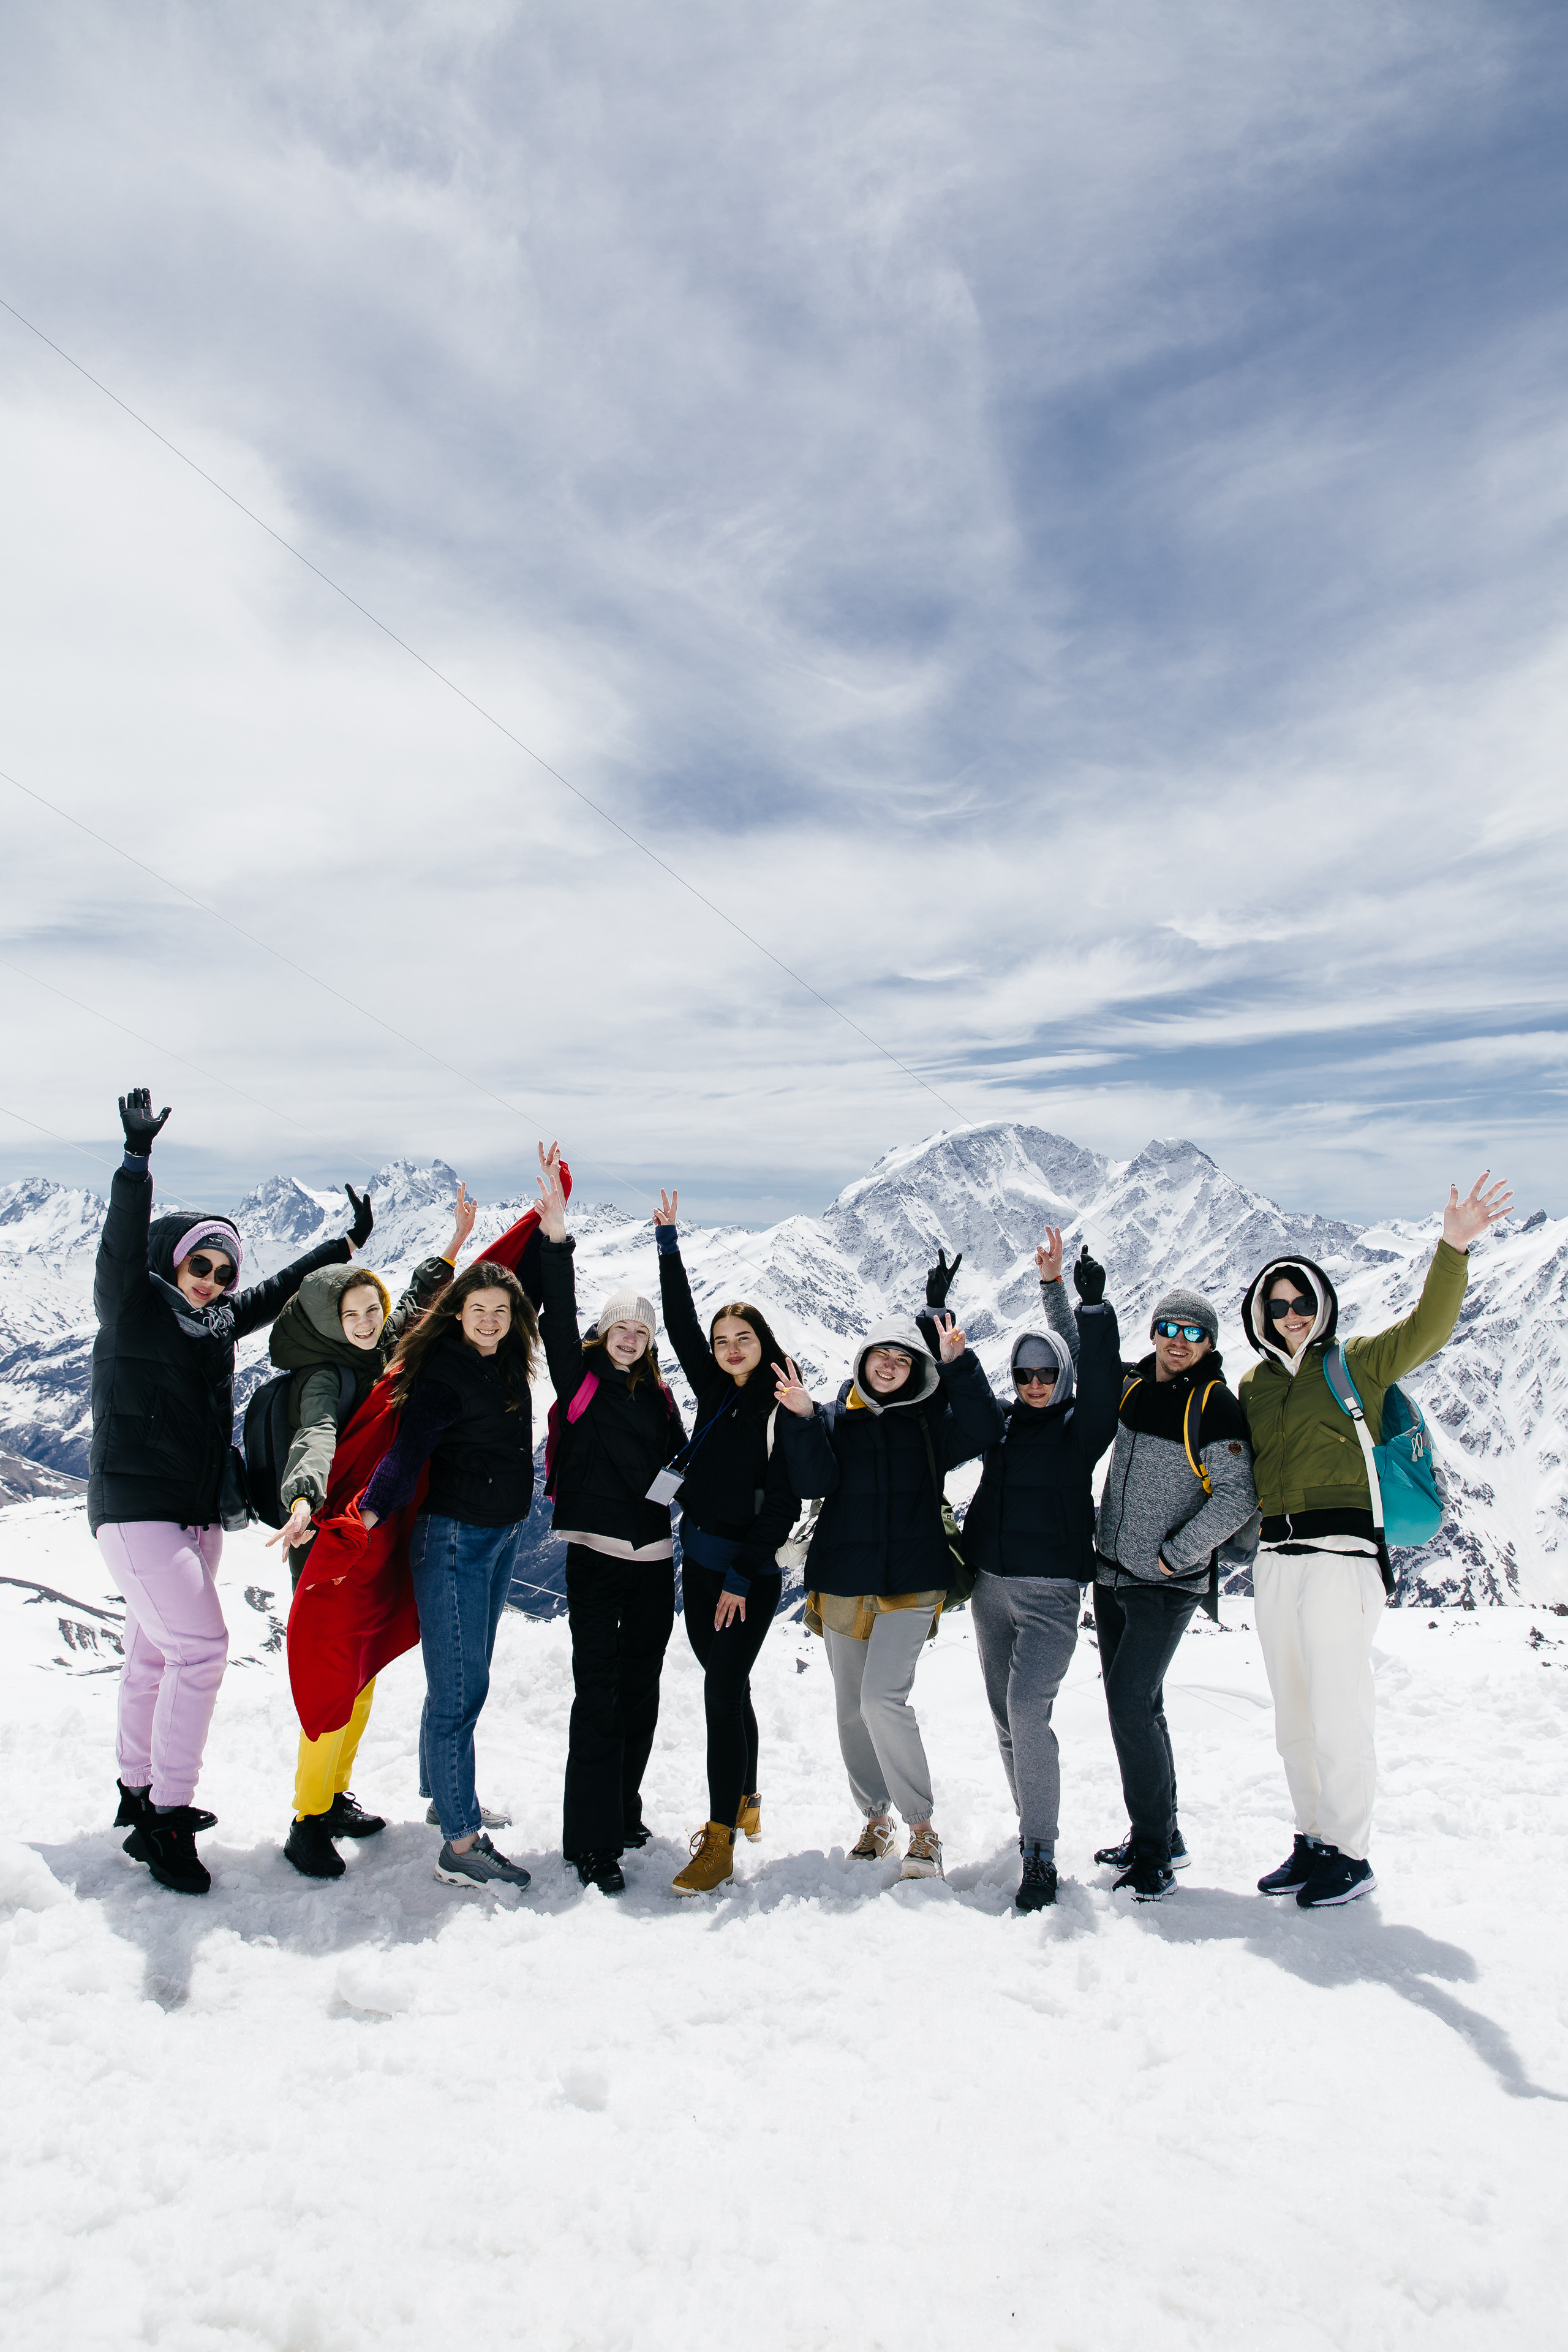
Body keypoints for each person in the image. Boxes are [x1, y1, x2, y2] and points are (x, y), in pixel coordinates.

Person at [90, 1085, 372, 1896]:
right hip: (137, 1508)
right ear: (171, 1261)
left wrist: (342, 1244)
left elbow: (279, 1289)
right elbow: (117, 1247)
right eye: (199, 1264)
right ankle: (168, 1822)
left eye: (221, 1270)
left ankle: (138, 1791)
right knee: (204, 1650)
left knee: (154, 1654)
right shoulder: (134, 1308)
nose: (212, 1281)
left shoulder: (212, 1325)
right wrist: (136, 1163)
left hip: (193, 1517)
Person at [1239, 1171, 1510, 1910]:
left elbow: (1428, 1329)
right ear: (1260, 1315)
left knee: (1337, 1708)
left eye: (1300, 1303)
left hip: (1342, 1560)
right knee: (1292, 1713)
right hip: (1274, 1561)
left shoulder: (1354, 1361)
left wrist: (1451, 1249)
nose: (1290, 1314)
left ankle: (1351, 1854)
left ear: (1318, 1305)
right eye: (1276, 1305)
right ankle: (1311, 1838)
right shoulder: (1254, 1387)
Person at [266, 1183, 477, 1880]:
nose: (364, 1321)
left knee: (359, 1678)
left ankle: (332, 1797)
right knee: (334, 1680)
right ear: (328, 1319)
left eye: (370, 1310)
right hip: (327, 1541)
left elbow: (419, 1308)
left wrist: (451, 1246)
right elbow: (316, 1436)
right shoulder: (325, 1376)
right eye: (350, 1313)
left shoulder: (380, 1351)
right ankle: (305, 1819)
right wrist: (302, 1500)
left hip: (372, 1538)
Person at [773, 1304, 1005, 1882]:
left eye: (904, 1359)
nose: (891, 1366)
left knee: (882, 1700)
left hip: (913, 1582)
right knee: (851, 1710)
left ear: (916, 1370)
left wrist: (959, 1366)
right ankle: (876, 1820)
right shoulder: (831, 1419)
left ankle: (922, 1828)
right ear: (864, 1360)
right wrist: (801, 1419)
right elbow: (810, 1483)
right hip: (844, 1583)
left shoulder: (931, 1422)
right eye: (883, 1355)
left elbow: (983, 1428)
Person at [357, 1251, 541, 1893]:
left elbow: (538, 1280)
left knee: (464, 1680)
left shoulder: (508, 1358)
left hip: (500, 1537)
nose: (489, 1320)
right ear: (457, 1314)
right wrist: (371, 1512)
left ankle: (443, 1795)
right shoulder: (444, 1374)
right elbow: (407, 1457)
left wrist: (553, 1231)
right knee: (459, 1694)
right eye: (477, 1309)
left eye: (500, 1310)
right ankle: (459, 1845)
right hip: (457, 1541)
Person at [536, 1146, 687, 1895]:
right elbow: (554, 1314)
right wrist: (555, 1237)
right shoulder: (580, 1378)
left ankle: (621, 1807)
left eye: (641, 1330)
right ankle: (590, 1841)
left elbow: (687, 1460)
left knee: (643, 1690)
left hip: (655, 1562)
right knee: (597, 1694)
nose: (630, 1336)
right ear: (605, 1333)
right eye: (620, 1327)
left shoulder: (662, 1399)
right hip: (594, 1556)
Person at [650, 1187, 801, 1894]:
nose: (730, 1349)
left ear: (763, 1343)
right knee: (728, 1684)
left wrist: (744, 1574)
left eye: (743, 1339)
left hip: (748, 1575)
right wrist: (669, 1244)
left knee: (720, 1688)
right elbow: (677, 1319)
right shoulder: (712, 1387)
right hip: (699, 1564)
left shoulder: (782, 1407)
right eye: (722, 1342)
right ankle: (746, 1797)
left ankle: (717, 1841)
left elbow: (786, 1505)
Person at [963, 1236, 1120, 1910]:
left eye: (1045, 1375)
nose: (1033, 1384)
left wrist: (1083, 1302)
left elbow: (1103, 1376)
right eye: (1023, 1374)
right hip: (988, 1589)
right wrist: (935, 1315)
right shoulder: (998, 1425)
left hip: (1053, 1594)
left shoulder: (1079, 1432)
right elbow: (953, 1387)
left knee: (1029, 1708)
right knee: (1006, 1719)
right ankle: (1030, 1827)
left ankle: (1040, 1852)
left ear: (1060, 1378)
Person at [1092, 1285, 1257, 1900]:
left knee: (1131, 1705)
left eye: (1193, 1333)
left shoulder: (1216, 1407)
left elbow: (1238, 1496)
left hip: (1162, 1584)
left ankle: (1155, 1853)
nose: (1178, 1342)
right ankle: (1159, 1833)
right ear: (1155, 1332)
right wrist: (1058, 1290)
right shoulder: (1137, 1383)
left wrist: (1174, 1556)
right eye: (1169, 1328)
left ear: (1209, 1343)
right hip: (1111, 1573)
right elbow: (1087, 1353)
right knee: (1137, 1706)